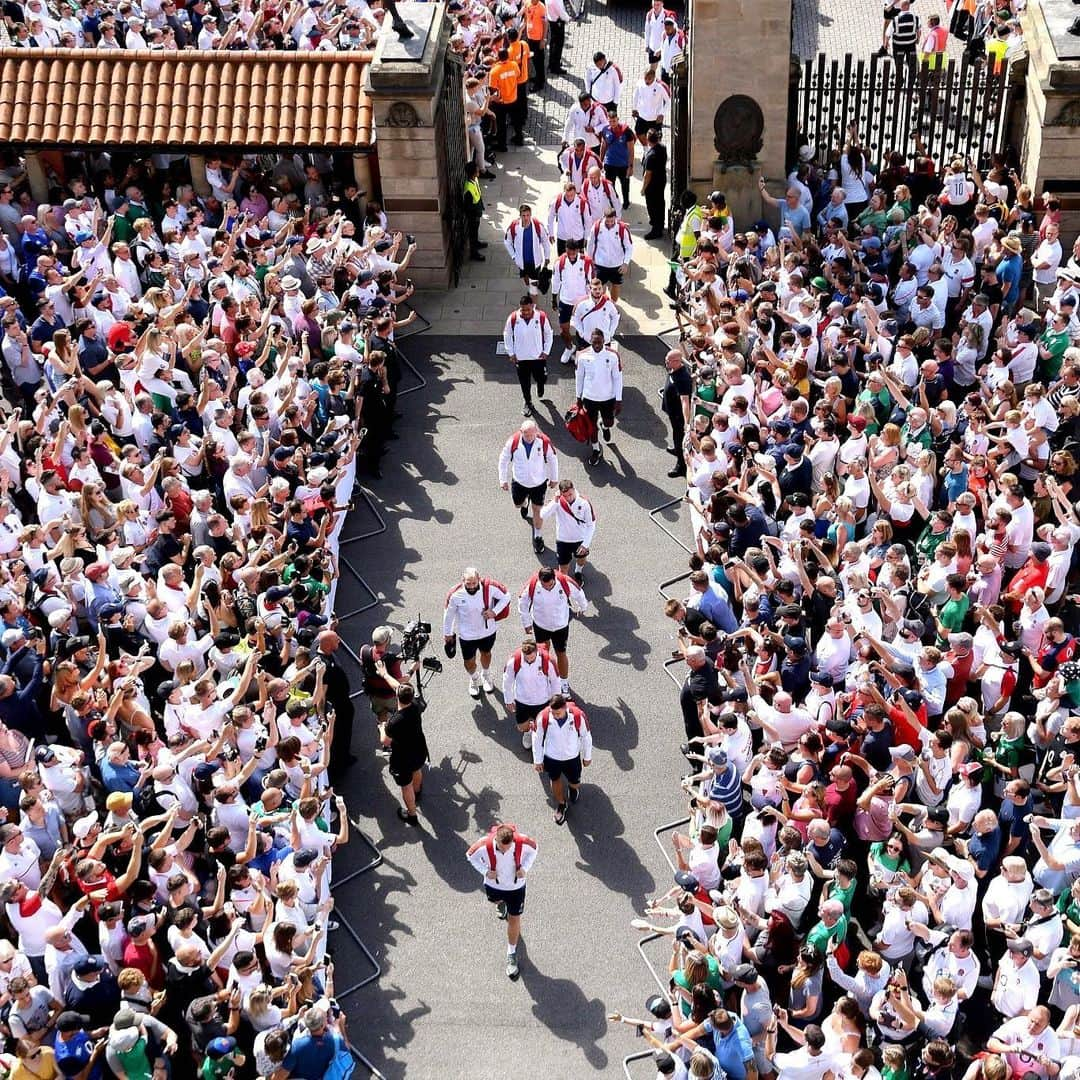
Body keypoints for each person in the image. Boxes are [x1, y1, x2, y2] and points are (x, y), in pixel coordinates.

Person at [466, 823, 538, 980]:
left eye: (509, 847)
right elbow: (470, 855)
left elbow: (534, 849)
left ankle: (511, 953)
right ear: (496, 840)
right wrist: (485, 871)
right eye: (502, 847)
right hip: (494, 886)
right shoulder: (484, 844)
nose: (506, 851)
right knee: (496, 901)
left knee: (514, 919)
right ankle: (500, 904)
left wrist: (525, 868)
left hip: (516, 888)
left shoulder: (522, 841)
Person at [442, 567, 512, 699]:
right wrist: (448, 633)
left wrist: (494, 612)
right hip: (467, 636)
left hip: (487, 632)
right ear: (463, 581)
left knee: (486, 653)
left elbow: (506, 596)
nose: (472, 587)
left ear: (479, 579)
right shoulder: (455, 594)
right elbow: (448, 614)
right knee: (469, 661)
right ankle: (474, 678)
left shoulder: (490, 587)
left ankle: (486, 675)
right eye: (468, 584)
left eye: (474, 583)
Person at [518, 564, 588, 695]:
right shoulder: (533, 585)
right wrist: (526, 623)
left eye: (550, 585)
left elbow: (579, 593)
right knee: (543, 654)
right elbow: (522, 602)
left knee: (561, 653)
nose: (548, 588)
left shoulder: (564, 581)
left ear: (554, 579)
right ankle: (544, 679)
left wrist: (582, 607)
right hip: (541, 625)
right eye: (544, 586)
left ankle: (563, 682)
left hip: (560, 626)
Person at [498, 420, 560, 554]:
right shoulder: (513, 442)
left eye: (532, 435)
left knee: (538, 510)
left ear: (536, 432)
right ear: (521, 432)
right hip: (519, 481)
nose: (530, 438)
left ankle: (538, 536)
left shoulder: (543, 442)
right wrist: (503, 479)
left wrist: (554, 478)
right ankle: (524, 503)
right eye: (527, 435)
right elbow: (503, 460)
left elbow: (552, 459)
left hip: (538, 483)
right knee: (517, 504)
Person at [532, 693, 593, 824]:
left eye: (558, 713)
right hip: (552, 757)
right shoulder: (544, 717)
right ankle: (561, 803)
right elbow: (537, 739)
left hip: (572, 757)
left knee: (575, 782)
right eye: (553, 713)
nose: (555, 716)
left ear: (565, 707)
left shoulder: (577, 716)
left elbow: (586, 737)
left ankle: (573, 788)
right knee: (554, 780)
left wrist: (587, 756)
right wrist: (537, 760)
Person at [379, 683, 429, 826]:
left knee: (406, 786)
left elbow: (385, 741)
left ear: (396, 696)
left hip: (403, 759)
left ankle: (412, 815)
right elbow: (398, 686)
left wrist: (382, 727)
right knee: (417, 769)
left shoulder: (394, 722)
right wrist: (384, 675)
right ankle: (418, 792)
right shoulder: (415, 706)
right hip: (419, 749)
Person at [575, 328, 624, 466]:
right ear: (590, 341)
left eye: (599, 342)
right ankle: (596, 449)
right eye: (594, 342)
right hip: (589, 398)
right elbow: (579, 378)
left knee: (609, 422)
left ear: (604, 341)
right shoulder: (582, 356)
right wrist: (578, 397)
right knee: (591, 427)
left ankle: (605, 426)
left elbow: (617, 378)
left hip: (608, 398)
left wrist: (618, 399)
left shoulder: (613, 355)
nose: (597, 344)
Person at [503, 637, 562, 749]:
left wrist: (556, 702)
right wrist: (508, 700)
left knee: (544, 725)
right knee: (521, 727)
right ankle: (528, 732)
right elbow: (507, 680)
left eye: (532, 658)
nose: (529, 660)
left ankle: (541, 735)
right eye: (527, 658)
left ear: (536, 652)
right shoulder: (514, 661)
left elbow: (555, 681)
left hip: (542, 700)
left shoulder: (547, 660)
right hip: (522, 700)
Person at [503, 293, 554, 417]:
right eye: (523, 309)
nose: (525, 312)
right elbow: (507, 335)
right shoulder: (513, 318)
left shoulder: (541, 317)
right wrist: (511, 352)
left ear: (532, 306)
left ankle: (540, 385)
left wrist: (546, 351)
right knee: (524, 382)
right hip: (521, 359)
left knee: (541, 377)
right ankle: (528, 402)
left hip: (538, 357)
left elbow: (548, 333)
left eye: (528, 309)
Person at [541, 477, 598, 583]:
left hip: (580, 539)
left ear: (574, 490)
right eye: (565, 496)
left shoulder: (584, 503)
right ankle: (565, 587)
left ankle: (578, 572)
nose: (568, 498)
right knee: (562, 569)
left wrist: (585, 544)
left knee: (581, 560)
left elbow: (591, 525)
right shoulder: (557, 502)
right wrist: (554, 501)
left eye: (570, 494)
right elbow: (543, 515)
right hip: (563, 541)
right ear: (561, 494)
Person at [662, 349, 693, 477]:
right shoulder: (673, 369)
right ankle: (677, 448)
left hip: (678, 415)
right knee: (676, 435)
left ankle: (681, 465)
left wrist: (686, 422)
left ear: (676, 362)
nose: (666, 362)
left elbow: (685, 401)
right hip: (672, 410)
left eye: (668, 360)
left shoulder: (682, 378)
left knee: (679, 436)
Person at [641, 128, 669, 240]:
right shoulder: (662, 148)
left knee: (653, 206)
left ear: (648, 140)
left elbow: (647, 174)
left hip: (652, 185)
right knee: (660, 203)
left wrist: (643, 188)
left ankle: (656, 229)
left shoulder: (651, 156)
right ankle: (660, 224)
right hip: (661, 180)